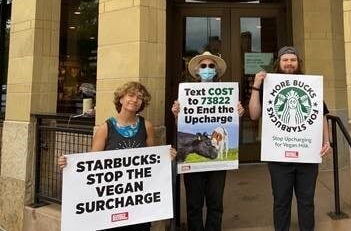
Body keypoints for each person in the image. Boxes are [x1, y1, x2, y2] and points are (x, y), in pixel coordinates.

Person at [58, 81, 177, 231]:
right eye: (131, 95)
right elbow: (92, 164)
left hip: (138, 203)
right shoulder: (105, 128)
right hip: (111, 205)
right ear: (121, 99)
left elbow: (152, 162)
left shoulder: (147, 126)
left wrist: (166, 158)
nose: (134, 100)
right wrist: (69, 165)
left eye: (139, 97)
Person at [248, 46, 332, 231]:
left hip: (307, 156)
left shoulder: (310, 85)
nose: (289, 63)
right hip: (279, 157)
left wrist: (327, 141)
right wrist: (256, 86)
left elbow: (321, 115)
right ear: (279, 62)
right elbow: (254, 115)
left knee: (307, 201)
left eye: (292, 60)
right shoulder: (269, 87)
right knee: (281, 201)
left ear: (298, 63)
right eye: (285, 60)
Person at [171, 51, 244, 231]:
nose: (207, 69)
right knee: (194, 205)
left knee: (215, 203)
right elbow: (182, 124)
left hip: (216, 162)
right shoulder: (186, 93)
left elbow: (230, 122)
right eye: (203, 66)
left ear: (216, 71)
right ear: (197, 71)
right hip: (194, 162)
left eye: (211, 66)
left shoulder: (227, 94)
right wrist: (176, 115)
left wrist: (238, 114)